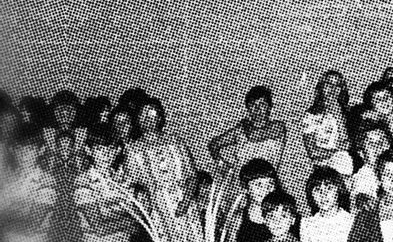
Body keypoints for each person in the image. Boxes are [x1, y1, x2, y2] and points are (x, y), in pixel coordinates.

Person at [124, 97, 196, 242]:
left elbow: (192, 176)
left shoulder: (176, 142)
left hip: (185, 203)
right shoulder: (133, 149)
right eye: (143, 115)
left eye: (152, 113)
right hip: (157, 208)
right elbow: (132, 185)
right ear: (137, 119)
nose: (148, 118)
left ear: (160, 116)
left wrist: (186, 200)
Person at [209, 86, 288, 172]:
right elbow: (214, 144)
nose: (257, 109)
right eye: (253, 105)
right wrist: (223, 165)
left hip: (269, 180)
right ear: (248, 108)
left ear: (269, 107)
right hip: (243, 180)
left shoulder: (278, 127)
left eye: (262, 104)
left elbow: (255, 136)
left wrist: (246, 127)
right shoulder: (240, 130)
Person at [74, 130, 133, 242]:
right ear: (88, 150)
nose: (106, 155)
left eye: (110, 149)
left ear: (117, 151)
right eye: (100, 149)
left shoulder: (121, 178)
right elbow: (99, 228)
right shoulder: (83, 183)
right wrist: (134, 222)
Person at [302, 72, 353, 175]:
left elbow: (350, 144)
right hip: (325, 167)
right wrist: (336, 151)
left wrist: (338, 113)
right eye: (329, 84)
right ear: (321, 87)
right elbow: (312, 151)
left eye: (337, 85)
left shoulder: (349, 113)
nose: (332, 89)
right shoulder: (312, 115)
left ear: (342, 89)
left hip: (349, 163)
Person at [227, 159, 282, 242]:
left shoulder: (284, 214)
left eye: (270, 184)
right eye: (258, 184)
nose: (265, 189)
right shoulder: (238, 219)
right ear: (245, 188)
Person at [301, 167, 353, 242]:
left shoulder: (350, 221)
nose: (323, 195)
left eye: (329, 188)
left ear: (339, 190)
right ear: (311, 194)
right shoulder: (307, 225)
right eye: (317, 190)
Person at [349, 120, 393, 206]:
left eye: (382, 140)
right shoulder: (364, 175)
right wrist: (363, 198)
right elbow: (362, 193)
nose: (378, 146)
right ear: (362, 153)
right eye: (371, 143)